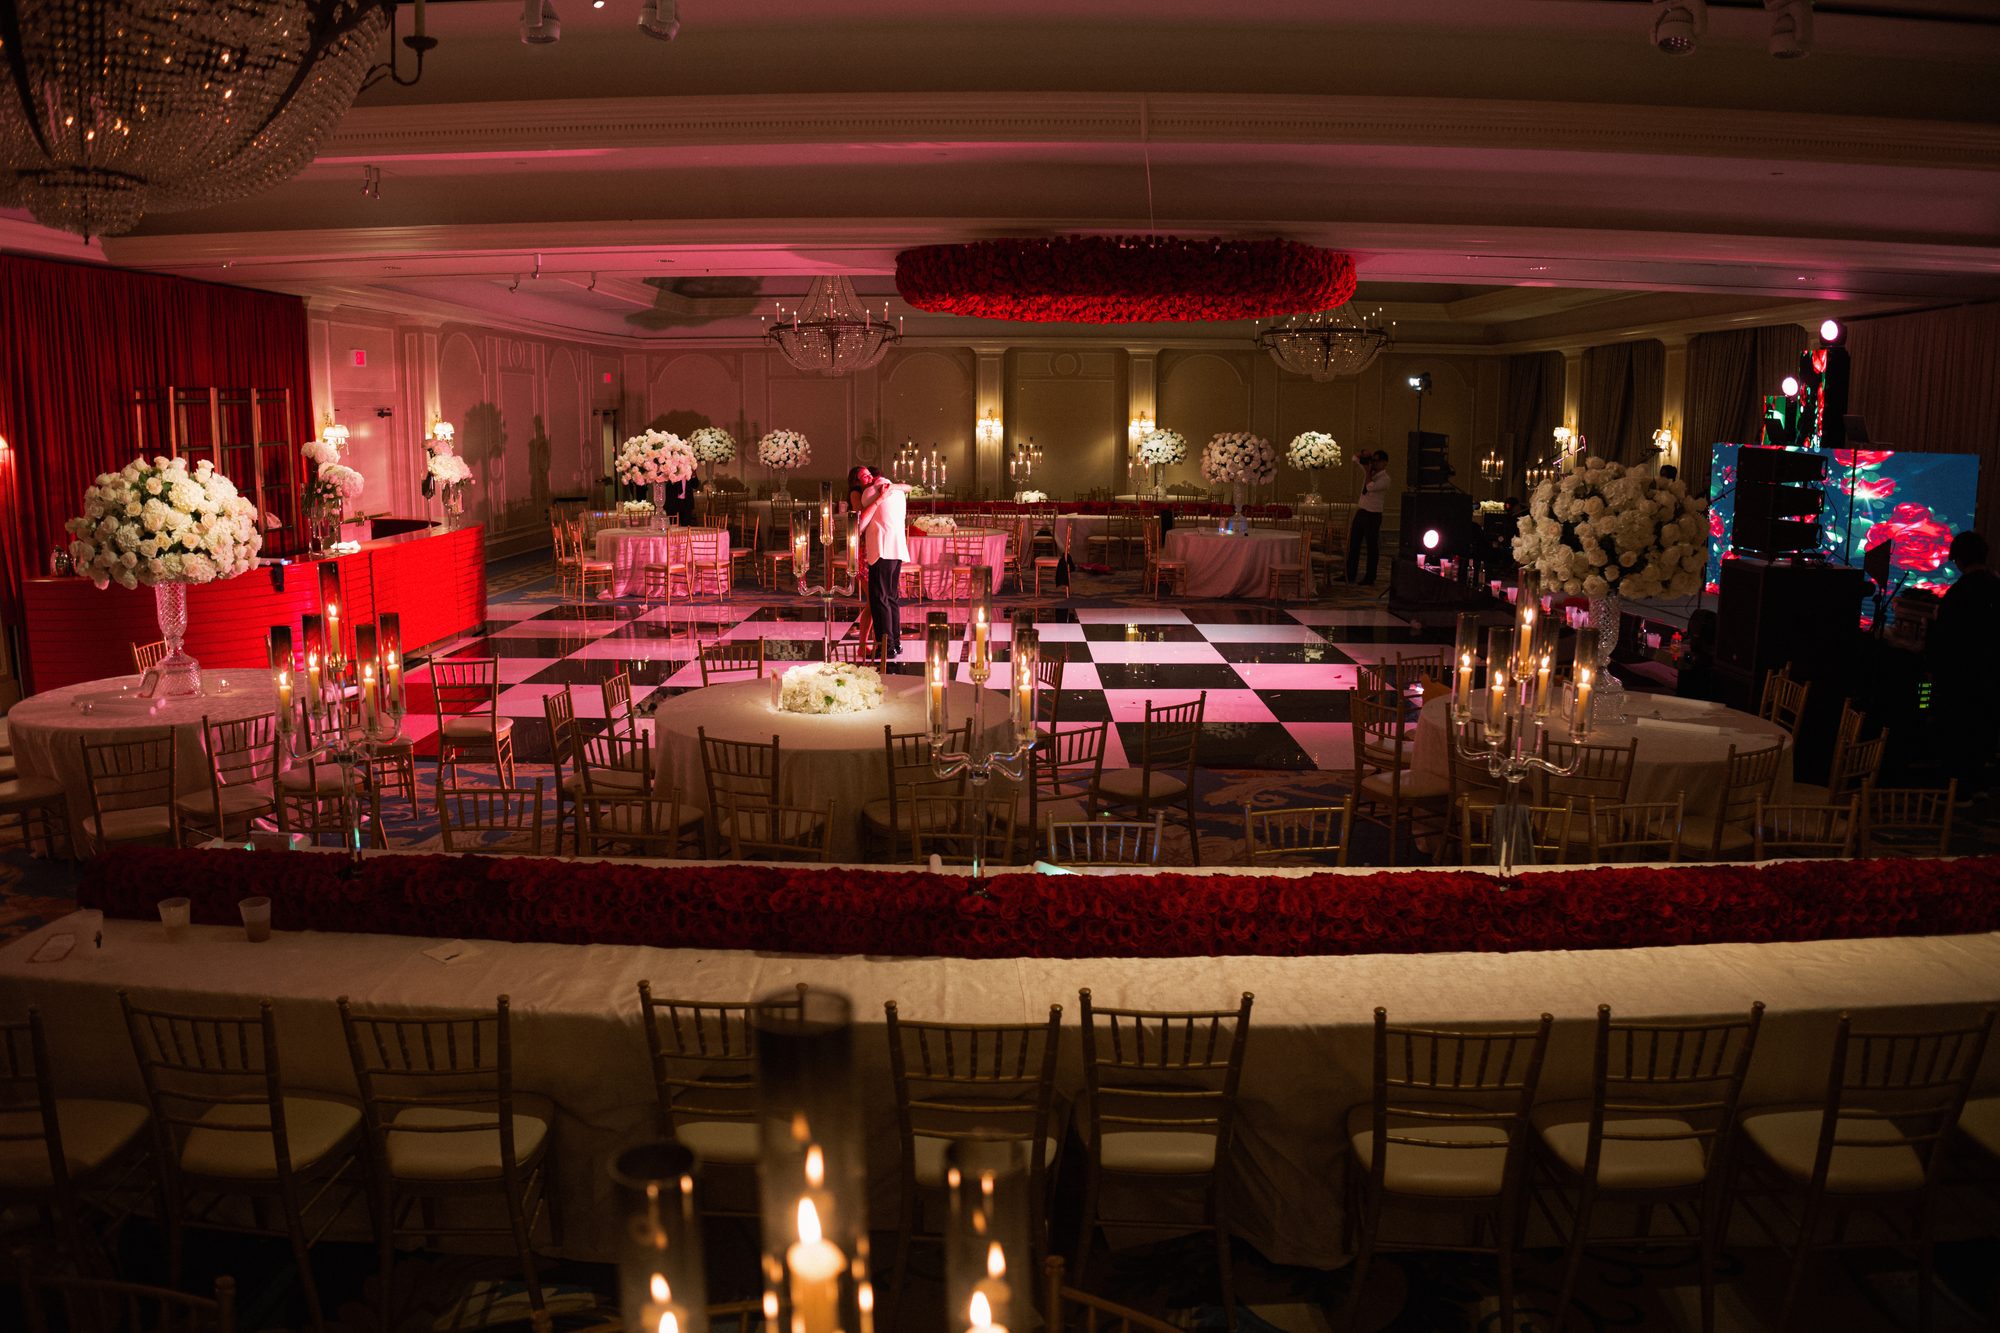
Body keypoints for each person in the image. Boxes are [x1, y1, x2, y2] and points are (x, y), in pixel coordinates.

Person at [1928, 530, 1998, 798]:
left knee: (1958, 731)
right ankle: (1977, 783)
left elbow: (1945, 637)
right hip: (1990, 674)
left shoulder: (1960, 593)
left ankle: (1959, 789)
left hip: (1960, 676)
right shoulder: (1994, 585)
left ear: (1958, 559)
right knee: (1982, 727)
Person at [855, 465, 913, 660]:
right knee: (891, 598)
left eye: (868, 475)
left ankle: (886, 647)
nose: (867, 478)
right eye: (863, 476)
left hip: (881, 550)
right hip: (897, 549)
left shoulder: (869, 494)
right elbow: (907, 487)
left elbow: (861, 524)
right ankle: (896, 644)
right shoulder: (896, 492)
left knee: (880, 600)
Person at [1344, 449, 1391, 585]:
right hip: (1362, 511)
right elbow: (1354, 457)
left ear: (1384, 463)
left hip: (1373, 514)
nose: (1374, 463)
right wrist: (1364, 454)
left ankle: (1370, 577)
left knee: (1371, 546)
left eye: (1377, 461)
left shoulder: (1385, 479)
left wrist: (1367, 472)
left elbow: (1370, 487)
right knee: (1353, 544)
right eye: (1373, 460)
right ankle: (1350, 574)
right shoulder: (1370, 471)